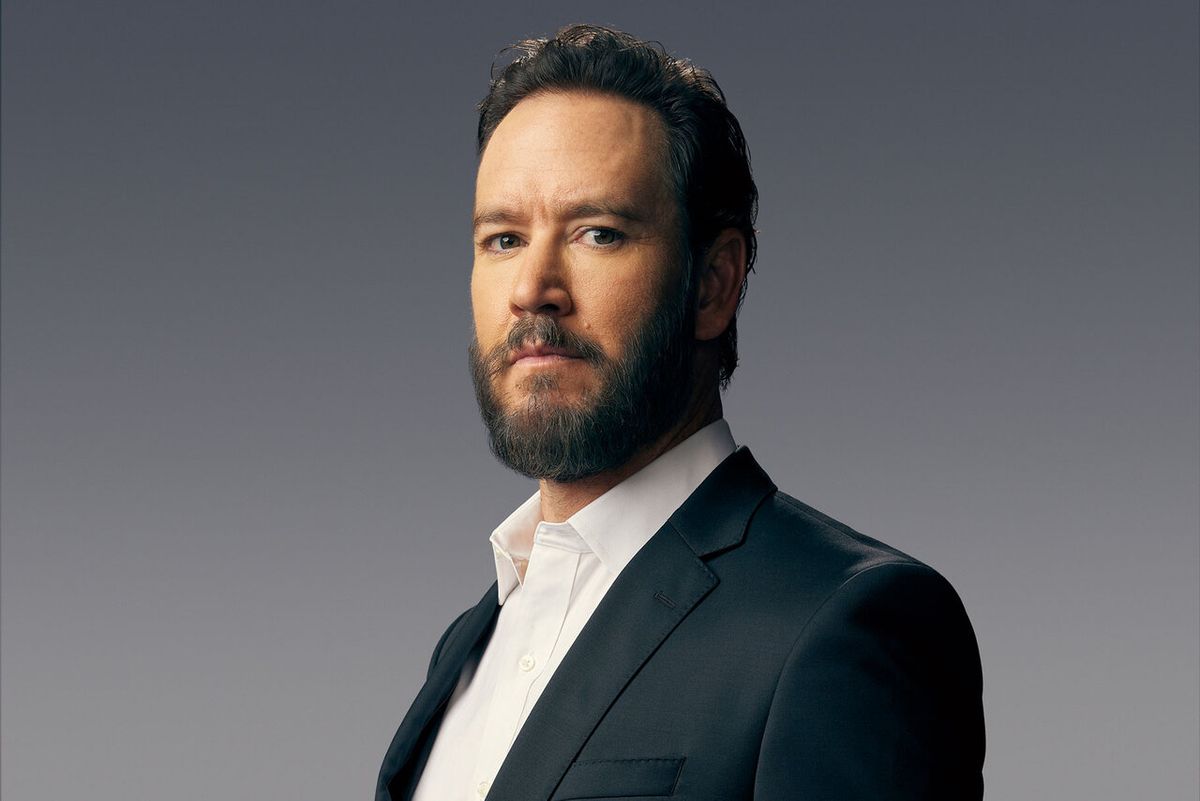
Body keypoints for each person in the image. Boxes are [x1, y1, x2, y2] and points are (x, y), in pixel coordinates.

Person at [376, 24, 985, 801]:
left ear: (714, 283)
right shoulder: (464, 648)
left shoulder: (844, 622)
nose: (532, 289)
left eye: (598, 233)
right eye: (502, 238)